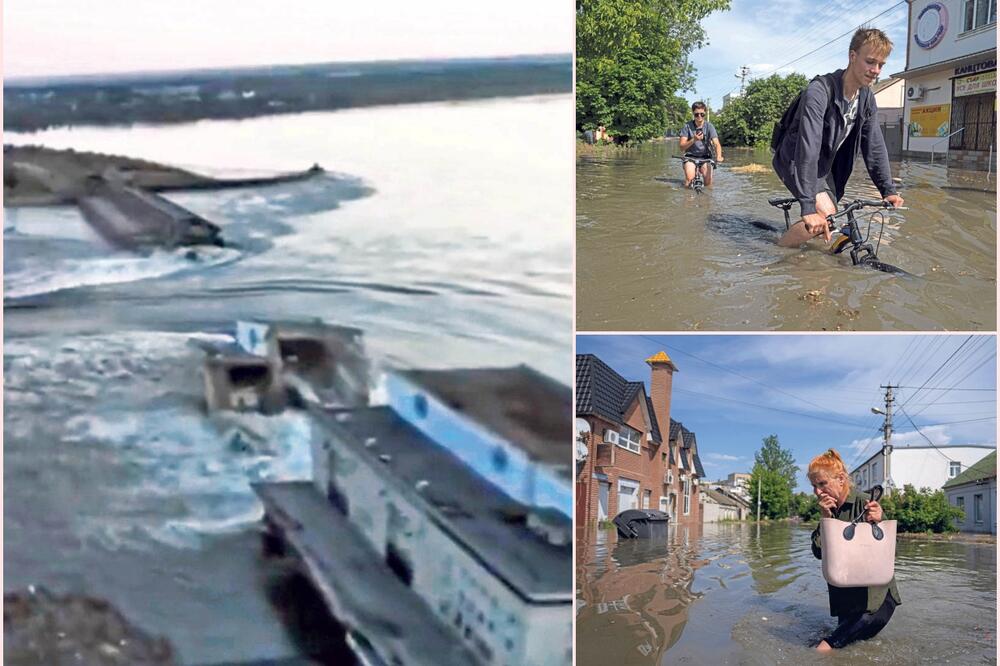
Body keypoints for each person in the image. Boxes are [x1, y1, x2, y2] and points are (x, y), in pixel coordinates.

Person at [772, 28, 904, 248]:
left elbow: (874, 145)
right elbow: (808, 146)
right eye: (870, 62)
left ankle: (797, 249)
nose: (875, 70)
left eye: (881, 65)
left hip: (825, 167)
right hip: (795, 159)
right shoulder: (819, 91)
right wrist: (807, 205)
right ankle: (777, 251)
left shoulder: (866, 98)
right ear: (852, 56)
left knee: (829, 221)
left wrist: (888, 190)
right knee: (826, 214)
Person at [807, 449, 901, 651]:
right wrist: (825, 519)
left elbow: (891, 553)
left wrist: (879, 521)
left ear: (841, 479)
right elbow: (818, 553)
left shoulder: (865, 503)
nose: (817, 492)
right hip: (846, 602)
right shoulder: (829, 510)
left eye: (822, 483)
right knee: (851, 651)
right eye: (814, 486)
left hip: (875, 603)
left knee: (823, 649)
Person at [679, 102, 723, 188]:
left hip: (706, 157)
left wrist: (719, 156)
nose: (699, 116)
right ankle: (687, 195)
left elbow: (717, 144)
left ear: (705, 113)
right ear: (693, 114)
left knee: (708, 181)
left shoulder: (710, 126)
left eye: (702, 114)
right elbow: (681, 147)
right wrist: (694, 140)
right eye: (696, 114)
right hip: (690, 157)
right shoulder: (687, 126)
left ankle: (707, 196)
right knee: (689, 179)